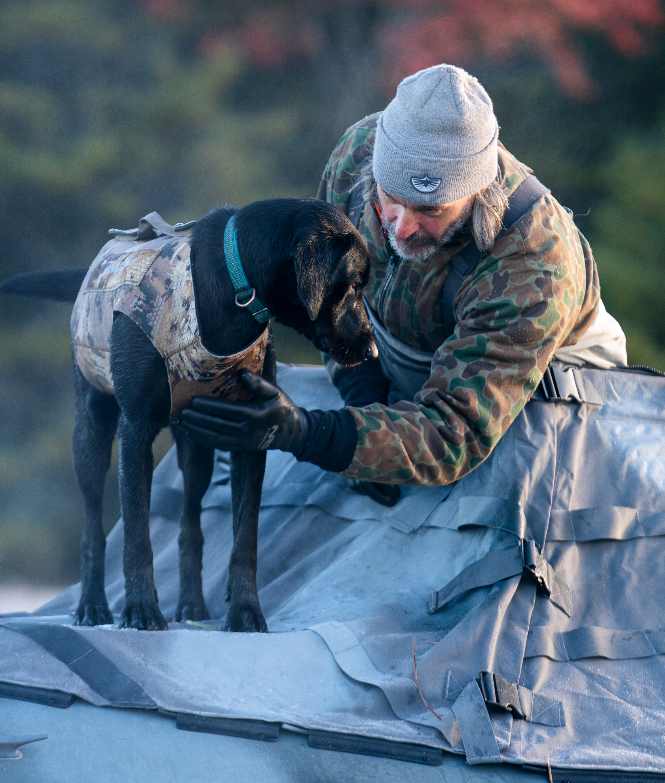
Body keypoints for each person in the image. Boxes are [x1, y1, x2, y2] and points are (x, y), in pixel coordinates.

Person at [180, 64, 627, 493]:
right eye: (391, 199)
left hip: (536, 403)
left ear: (476, 193)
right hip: (406, 368)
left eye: (430, 210)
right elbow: (331, 303)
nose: (401, 227)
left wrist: (310, 435)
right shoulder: (357, 156)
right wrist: (362, 401)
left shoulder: (534, 262)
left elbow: (456, 432)